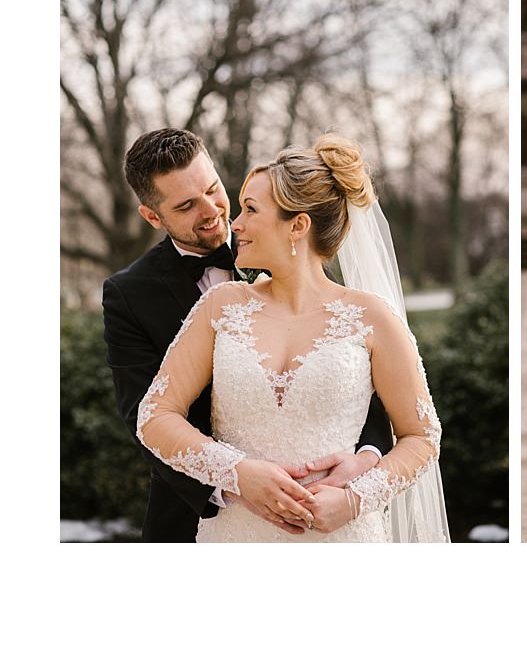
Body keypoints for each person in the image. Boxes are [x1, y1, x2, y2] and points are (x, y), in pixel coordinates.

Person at [128, 132, 447, 542]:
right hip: (236, 536)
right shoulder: (221, 307)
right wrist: (235, 473)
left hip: (341, 537)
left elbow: (421, 435)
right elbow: (154, 414)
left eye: (250, 210)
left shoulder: (371, 318)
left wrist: (355, 498)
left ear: (297, 225)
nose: (234, 223)